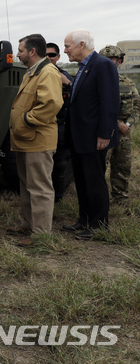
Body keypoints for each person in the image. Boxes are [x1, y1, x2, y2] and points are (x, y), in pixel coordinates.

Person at [62, 30, 119, 240]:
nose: (65, 50)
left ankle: (99, 225)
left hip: (95, 138)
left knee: (94, 181)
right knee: (83, 180)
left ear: (81, 44)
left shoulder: (103, 65)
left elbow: (110, 103)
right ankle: (84, 220)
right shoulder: (83, 67)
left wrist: (105, 134)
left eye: (68, 46)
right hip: (80, 137)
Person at [7, 34, 63, 246]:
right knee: (27, 184)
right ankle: (28, 224)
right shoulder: (32, 72)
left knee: (40, 188)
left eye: (20, 50)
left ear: (32, 52)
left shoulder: (47, 72)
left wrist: (26, 121)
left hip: (37, 139)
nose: (17, 54)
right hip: (26, 139)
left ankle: (40, 235)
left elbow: (51, 104)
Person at [99, 45, 140, 204]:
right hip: (104, 132)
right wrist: (117, 124)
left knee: (123, 166)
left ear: (119, 61)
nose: (109, 62)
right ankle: (99, 200)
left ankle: (120, 199)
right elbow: (95, 109)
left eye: (112, 59)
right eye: (105, 60)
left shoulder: (127, 83)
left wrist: (128, 123)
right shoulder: (96, 82)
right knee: (100, 166)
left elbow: (137, 106)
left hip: (124, 133)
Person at [46, 42, 73, 203]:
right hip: (42, 125)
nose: (49, 58)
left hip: (60, 126)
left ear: (58, 57)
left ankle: (58, 196)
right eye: (46, 55)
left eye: (52, 55)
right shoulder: (38, 75)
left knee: (60, 163)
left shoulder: (65, 76)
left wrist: (67, 84)